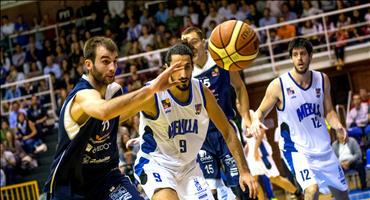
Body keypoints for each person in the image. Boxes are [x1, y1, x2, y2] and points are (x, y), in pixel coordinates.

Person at [44, 36, 183, 200]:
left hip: (107, 178)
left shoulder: (115, 91)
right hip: (70, 187)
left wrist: (161, 92)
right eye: (105, 61)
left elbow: (119, 115)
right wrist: (151, 89)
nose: (112, 67)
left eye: (115, 61)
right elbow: (104, 112)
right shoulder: (82, 96)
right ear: (88, 64)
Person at [133, 42, 257, 200]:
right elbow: (116, 116)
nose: (183, 74)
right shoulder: (152, 93)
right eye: (177, 68)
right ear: (166, 68)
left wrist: (245, 171)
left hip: (188, 168)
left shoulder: (201, 91)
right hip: (157, 164)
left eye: (187, 67)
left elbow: (228, 132)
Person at [250, 38, 349, 200]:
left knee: (343, 195)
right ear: (291, 58)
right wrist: (255, 121)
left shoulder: (322, 79)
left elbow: (329, 111)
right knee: (311, 189)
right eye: (295, 55)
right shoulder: (279, 85)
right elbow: (260, 111)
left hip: (323, 149)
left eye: (303, 54)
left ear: (310, 56)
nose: (299, 58)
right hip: (297, 150)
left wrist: (338, 126)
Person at [181, 26, 254, 199]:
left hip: (225, 132)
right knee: (210, 193)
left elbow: (240, 87)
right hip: (201, 138)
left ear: (204, 42)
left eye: (194, 41)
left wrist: (247, 118)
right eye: (186, 43)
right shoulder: (184, 73)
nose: (190, 46)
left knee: (242, 186)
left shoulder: (222, 61)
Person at [244, 110, 297, 200]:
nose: (237, 104)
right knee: (255, 180)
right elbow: (249, 139)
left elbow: (262, 130)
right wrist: (246, 149)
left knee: (275, 178)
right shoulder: (243, 119)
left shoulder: (251, 113)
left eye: (238, 102)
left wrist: (256, 149)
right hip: (251, 156)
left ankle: (298, 193)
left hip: (261, 153)